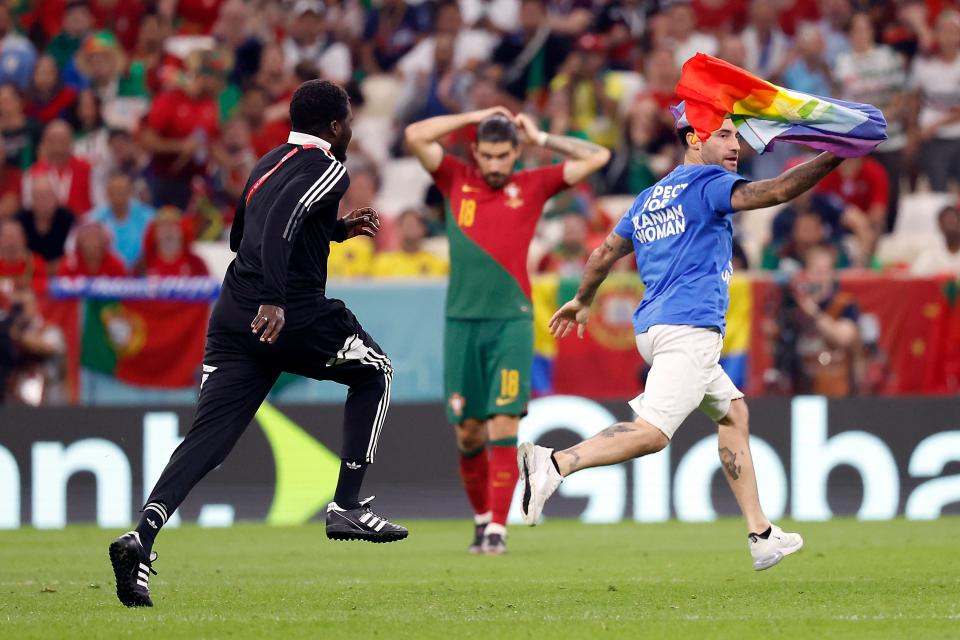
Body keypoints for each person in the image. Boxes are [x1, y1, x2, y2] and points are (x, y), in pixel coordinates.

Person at [109, 80, 407, 609]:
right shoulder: (330, 167)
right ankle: (347, 504)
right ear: (336, 126)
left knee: (208, 440)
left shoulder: (268, 161)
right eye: (349, 121)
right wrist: (276, 297)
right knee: (376, 370)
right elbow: (277, 230)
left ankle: (142, 539)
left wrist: (333, 232)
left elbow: (243, 232)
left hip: (232, 317)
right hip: (287, 313)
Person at [519, 112, 852, 571]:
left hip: (653, 329)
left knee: (733, 413)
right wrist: (838, 153)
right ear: (695, 140)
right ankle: (555, 462)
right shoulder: (708, 183)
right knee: (652, 434)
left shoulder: (650, 197)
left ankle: (761, 533)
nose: (736, 146)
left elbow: (602, 254)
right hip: (690, 329)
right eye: (724, 135)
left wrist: (581, 299)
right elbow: (776, 191)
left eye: (736, 136)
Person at [405, 107, 610, 554]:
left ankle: (498, 528)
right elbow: (416, 134)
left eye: (505, 155)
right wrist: (477, 114)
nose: (496, 165)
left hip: (512, 323)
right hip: (461, 323)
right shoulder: (455, 178)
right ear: (476, 152)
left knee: (503, 422)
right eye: (489, 156)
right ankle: (482, 520)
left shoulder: (533, 183)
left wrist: (543, 137)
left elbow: (599, 155)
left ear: (517, 152)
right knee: (469, 433)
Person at [908, 11, 960, 192]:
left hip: (955, 135)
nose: (948, 37)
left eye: (953, 31)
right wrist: (913, 131)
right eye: (944, 31)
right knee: (939, 192)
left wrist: (937, 123)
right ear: (936, 34)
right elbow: (915, 99)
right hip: (932, 140)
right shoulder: (923, 63)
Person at [89, 171, 155, 269]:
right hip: (107, 274)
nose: (118, 195)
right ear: (107, 194)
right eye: (114, 191)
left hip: (141, 274)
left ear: (130, 192)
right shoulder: (95, 218)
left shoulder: (149, 217)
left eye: (122, 191)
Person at [16, 173, 75, 271]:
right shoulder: (19, 221)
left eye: (47, 196)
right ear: (30, 199)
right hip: (27, 275)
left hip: (61, 275)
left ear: (57, 198)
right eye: (37, 196)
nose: (42, 201)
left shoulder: (69, 220)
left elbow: (72, 256)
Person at [370, 209, 448, 278]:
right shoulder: (382, 262)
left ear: (423, 229)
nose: (411, 228)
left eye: (415, 224)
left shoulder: (437, 263)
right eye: (408, 224)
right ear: (398, 229)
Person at [912, 205, 960, 276]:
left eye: (953, 221)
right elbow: (916, 278)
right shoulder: (930, 255)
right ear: (940, 226)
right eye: (947, 222)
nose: (951, 226)